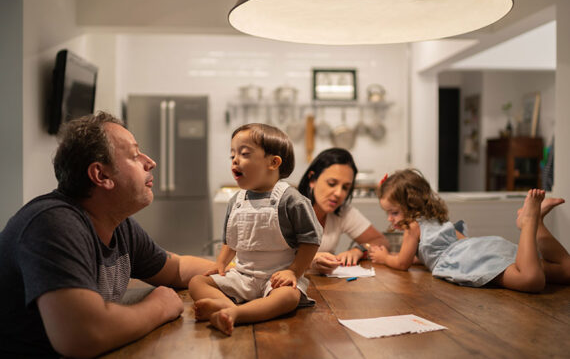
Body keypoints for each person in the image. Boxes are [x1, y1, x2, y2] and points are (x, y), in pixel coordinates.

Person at [0, 112, 216, 358]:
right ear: (101, 175)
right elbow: (82, 335)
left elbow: (176, 268)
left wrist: (239, 272)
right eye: (135, 155)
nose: (150, 162)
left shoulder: (116, 224)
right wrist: (160, 306)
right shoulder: (52, 224)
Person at [188, 123, 321, 335]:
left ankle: (235, 314)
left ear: (273, 162)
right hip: (242, 276)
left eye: (244, 153)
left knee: (289, 297)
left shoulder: (291, 200)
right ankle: (227, 309)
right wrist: (220, 265)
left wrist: (294, 271)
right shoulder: (236, 201)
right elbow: (230, 241)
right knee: (197, 281)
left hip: (277, 279)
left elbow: (311, 240)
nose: (235, 160)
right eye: (232, 155)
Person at [370, 168, 570, 293]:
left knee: (531, 280)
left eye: (394, 212)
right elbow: (440, 249)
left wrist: (385, 257)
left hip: (469, 259)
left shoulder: (413, 226)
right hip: (480, 247)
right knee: (565, 271)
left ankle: (530, 222)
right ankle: (539, 224)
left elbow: (402, 263)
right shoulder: (436, 220)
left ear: (411, 204)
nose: (390, 218)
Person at [297, 148, 390, 274]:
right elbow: (272, 258)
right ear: (312, 180)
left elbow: (382, 242)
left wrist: (359, 250)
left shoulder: (342, 212)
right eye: (331, 183)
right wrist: (311, 259)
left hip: (323, 287)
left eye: (346, 187)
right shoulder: (291, 208)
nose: (339, 193)